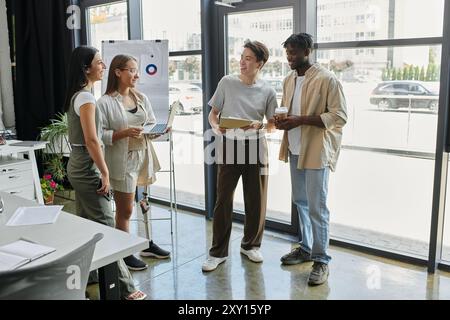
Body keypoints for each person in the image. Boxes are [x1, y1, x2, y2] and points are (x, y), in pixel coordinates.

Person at [65, 46, 146, 300]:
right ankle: (126, 287)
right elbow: (92, 139)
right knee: (106, 227)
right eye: (99, 63)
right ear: (86, 68)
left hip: (78, 164)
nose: (103, 67)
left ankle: (86, 275)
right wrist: (105, 172)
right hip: (87, 165)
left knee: (86, 225)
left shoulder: (80, 95)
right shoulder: (87, 98)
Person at [274, 33, 347, 286]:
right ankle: (305, 249)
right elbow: (287, 111)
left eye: (293, 53)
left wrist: (301, 120)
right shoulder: (288, 80)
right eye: (287, 53)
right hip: (295, 149)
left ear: (307, 52)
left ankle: (321, 260)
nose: (289, 57)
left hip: (316, 151)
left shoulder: (327, 79)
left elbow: (339, 116)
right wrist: (282, 122)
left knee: (318, 206)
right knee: (301, 202)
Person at [202, 40, 278, 272]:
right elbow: (213, 115)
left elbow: (273, 125)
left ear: (260, 63)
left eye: (248, 58)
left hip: (257, 148)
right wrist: (215, 128)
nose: (242, 62)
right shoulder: (227, 82)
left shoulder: (268, 90)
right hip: (229, 146)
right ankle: (217, 253)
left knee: (256, 200)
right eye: (241, 57)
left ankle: (251, 245)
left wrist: (260, 126)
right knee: (223, 200)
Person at [98, 54, 170, 271]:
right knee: (125, 210)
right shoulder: (105, 103)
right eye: (131, 70)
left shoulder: (140, 98)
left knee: (143, 202)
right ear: (118, 72)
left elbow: (149, 123)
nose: (137, 75)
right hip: (122, 160)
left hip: (143, 156)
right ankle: (125, 253)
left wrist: (156, 132)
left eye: (137, 70)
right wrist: (123, 133)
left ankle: (146, 245)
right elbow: (99, 135)